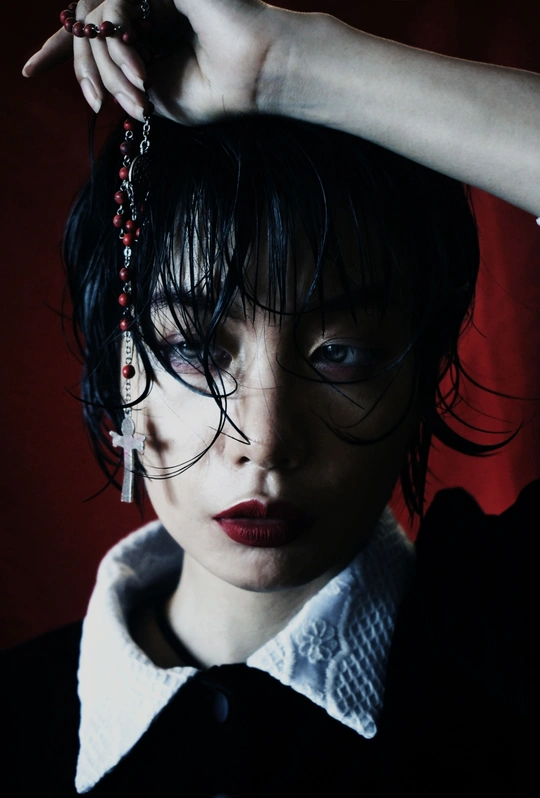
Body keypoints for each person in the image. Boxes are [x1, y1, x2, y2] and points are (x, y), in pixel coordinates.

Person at [5, 0, 539, 795]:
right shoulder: (14, 723)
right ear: (120, 373)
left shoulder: (513, 637)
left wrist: (290, 67)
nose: (264, 439)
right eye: (194, 350)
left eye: (341, 354)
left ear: (422, 370)